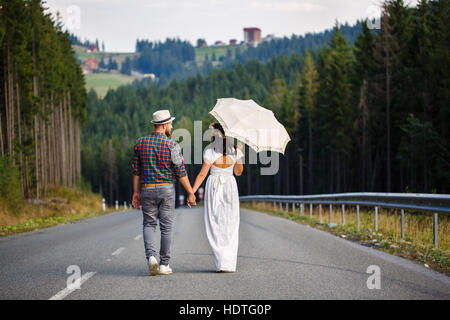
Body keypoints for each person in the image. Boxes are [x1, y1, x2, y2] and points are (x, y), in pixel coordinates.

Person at [131, 110, 196, 276]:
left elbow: (136, 171)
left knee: (149, 224)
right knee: (166, 227)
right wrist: (190, 192)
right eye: (171, 123)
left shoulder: (140, 143)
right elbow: (181, 171)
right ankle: (164, 264)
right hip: (166, 189)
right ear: (165, 125)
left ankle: (151, 257)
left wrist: (135, 192)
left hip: (147, 188)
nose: (172, 126)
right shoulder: (172, 145)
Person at [192, 123, 244, 273]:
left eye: (211, 131)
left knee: (214, 222)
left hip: (214, 185)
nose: (209, 133)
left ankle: (221, 262)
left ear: (217, 133)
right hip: (230, 185)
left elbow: (202, 174)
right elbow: (238, 172)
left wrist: (192, 192)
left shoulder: (210, 150)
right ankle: (229, 263)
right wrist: (239, 153)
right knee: (231, 222)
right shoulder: (234, 150)